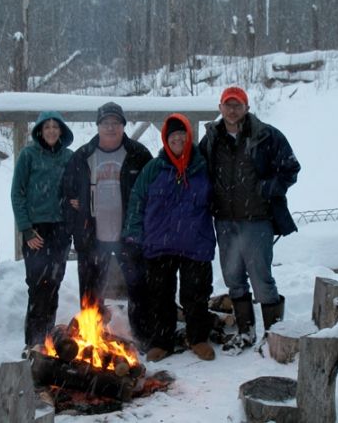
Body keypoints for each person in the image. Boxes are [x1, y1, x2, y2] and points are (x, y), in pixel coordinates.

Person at [199, 86, 301, 355]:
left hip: (257, 220)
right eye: (227, 105)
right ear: (220, 108)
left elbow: (291, 168)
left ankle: (273, 335)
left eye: (238, 105)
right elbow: (199, 173)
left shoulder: (266, 135)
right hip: (224, 221)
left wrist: (267, 189)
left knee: (261, 279)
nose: (232, 110)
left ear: (246, 107)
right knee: (233, 278)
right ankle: (246, 331)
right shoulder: (212, 139)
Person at [123, 113, 217, 362]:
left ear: (189, 137)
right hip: (159, 243)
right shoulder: (154, 168)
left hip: (195, 242)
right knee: (160, 294)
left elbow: (218, 198)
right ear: (166, 139)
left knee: (196, 294)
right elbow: (137, 201)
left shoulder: (203, 166)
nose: (178, 139)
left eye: (182, 135)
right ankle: (162, 341)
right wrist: (134, 234)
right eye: (173, 136)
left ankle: (198, 338)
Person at [63, 101, 153, 348]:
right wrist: (77, 228)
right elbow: (67, 193)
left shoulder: (139, 155)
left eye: (116, 123)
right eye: (105, 123)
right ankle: (92, 336)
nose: (111, 127)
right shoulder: (83, 156)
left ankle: (143, 336)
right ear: (98, 126)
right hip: (93, 237)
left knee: (138, 287)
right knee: (90, 291)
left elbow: (152, 193)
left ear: (123, 126)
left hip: (129, 236)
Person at [11, 110, 74, 348]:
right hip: (36, 231)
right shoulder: (28, 155)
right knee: (38, 286)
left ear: (61, 131)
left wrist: (74, 204)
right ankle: (33, 343)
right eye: (46, 127)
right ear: (39, 130)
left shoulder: (68, 157)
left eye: (55, 127)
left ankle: (47, 340)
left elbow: (75, 186)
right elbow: (17, 193)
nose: (51, 131)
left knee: (54, 284)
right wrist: (26, 229)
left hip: (60, 229)